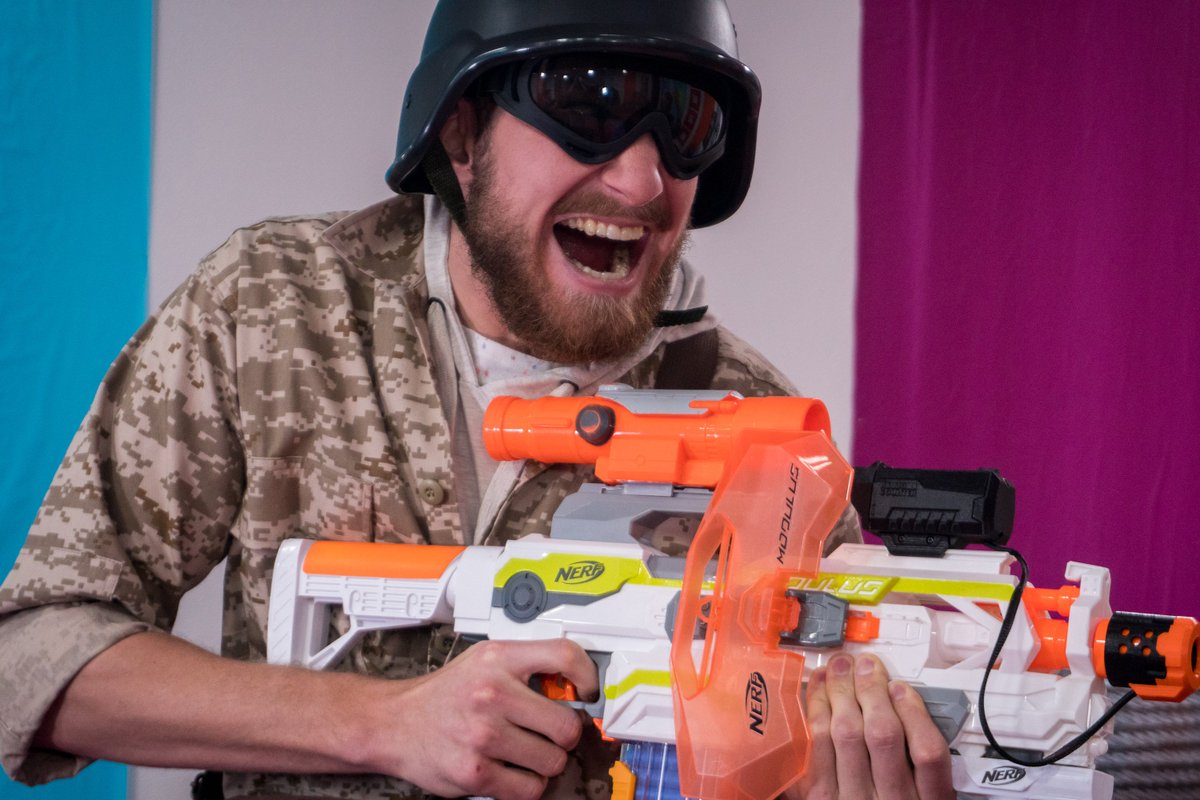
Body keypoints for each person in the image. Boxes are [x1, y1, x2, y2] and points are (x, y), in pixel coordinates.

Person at [0, 2, 953, 799]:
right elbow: (30, 659)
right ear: (460, 134)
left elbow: (849, 714)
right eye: (589, 103)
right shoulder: (276, 307)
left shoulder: (760, 432)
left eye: (686, 123)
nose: (641, 180)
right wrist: (381, 723)